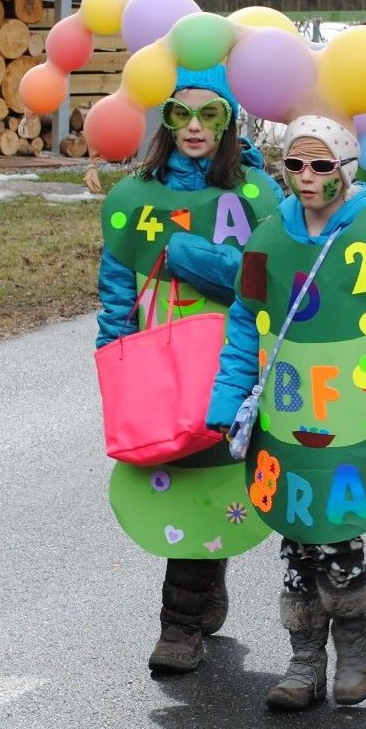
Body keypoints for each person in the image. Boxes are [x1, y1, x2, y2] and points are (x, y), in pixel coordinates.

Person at [207, 115, 366, 712]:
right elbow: (245, 323)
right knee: (292, 535)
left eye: (320, 166)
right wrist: (226, 403)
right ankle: (304, 656)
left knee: (338, 536)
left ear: (346, 169)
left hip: (351, 423)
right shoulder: (268, 238)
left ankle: (354, 638)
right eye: (294, 165)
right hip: (284, 422)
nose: (306, 177)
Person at [95, 66, 282, 674]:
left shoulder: (255, 193)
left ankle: (179, 625)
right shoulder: (137, 195)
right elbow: (117, 284)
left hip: (230, 355)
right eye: (181, 114)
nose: (194, 128)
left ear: (230, 121)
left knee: (209, 471)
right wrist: (114, 362)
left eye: (210, 115)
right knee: (176, 468)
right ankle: (204, 582)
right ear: (166, 119)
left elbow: (266, 277)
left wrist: (186, 255)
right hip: (160, 358)